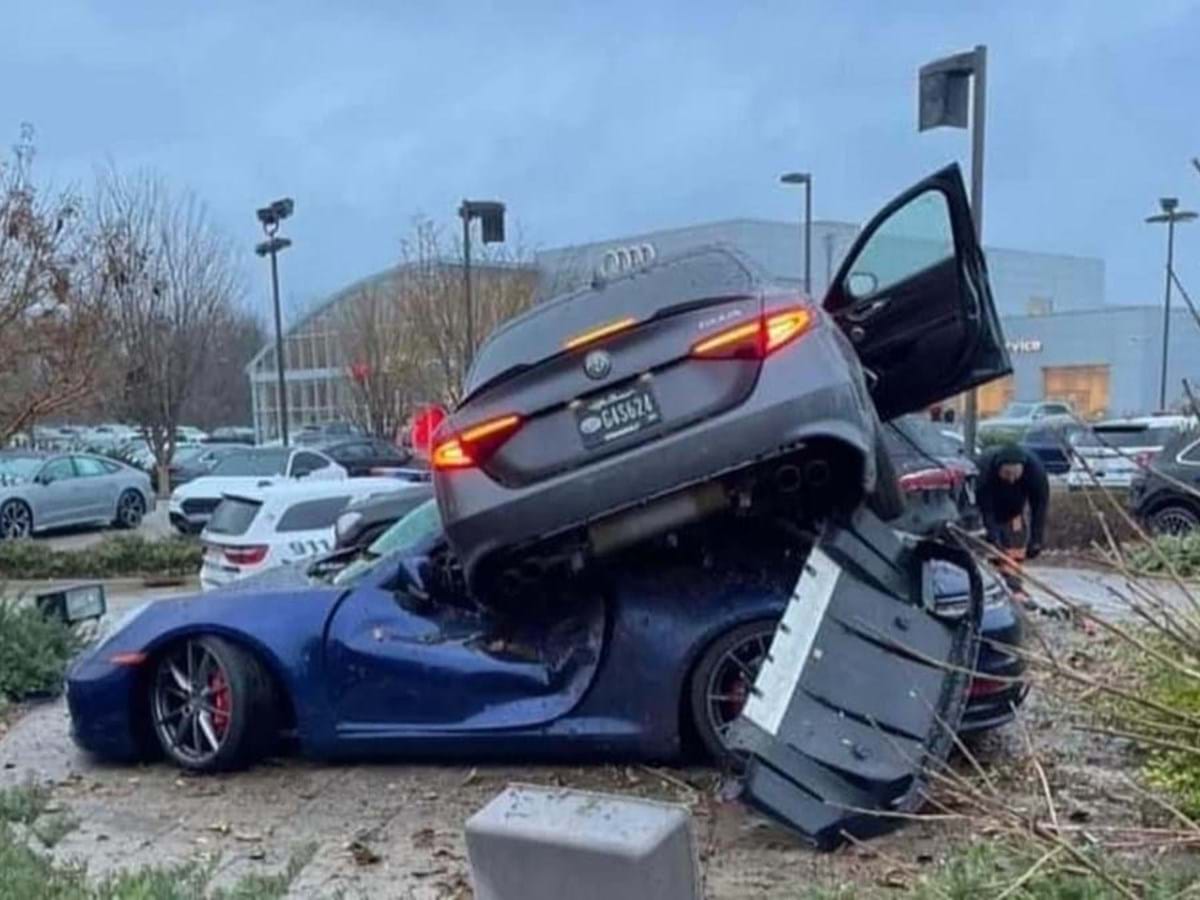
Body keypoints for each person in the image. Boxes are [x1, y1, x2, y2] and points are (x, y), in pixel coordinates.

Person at [976, 442, 1049, 563]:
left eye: (1015, 474)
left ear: (1023, 469)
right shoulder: (984, 470)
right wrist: (993, 536)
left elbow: (1039, 506)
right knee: (992, 549)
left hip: (1014, 512)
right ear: (998, 468)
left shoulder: (1036, 472)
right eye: (1006, 473)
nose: (1011, 479)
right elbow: (985, 508)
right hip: (991, 508)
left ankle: (1011, 578)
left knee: (1013, 548)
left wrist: (1036, 539)